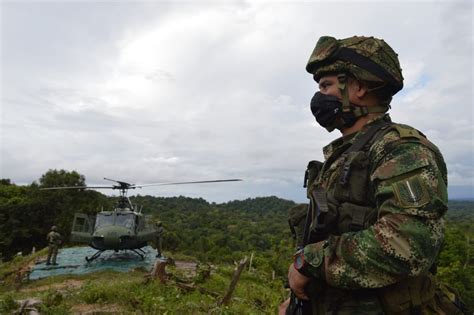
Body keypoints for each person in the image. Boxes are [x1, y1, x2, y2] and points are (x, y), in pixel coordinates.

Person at [280, 36, 450, 314]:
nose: (318, 97)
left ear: (358, 87)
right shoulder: (346, 155)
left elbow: (408, 245)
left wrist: (309, 261)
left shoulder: (401, 151)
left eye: (326, 85)